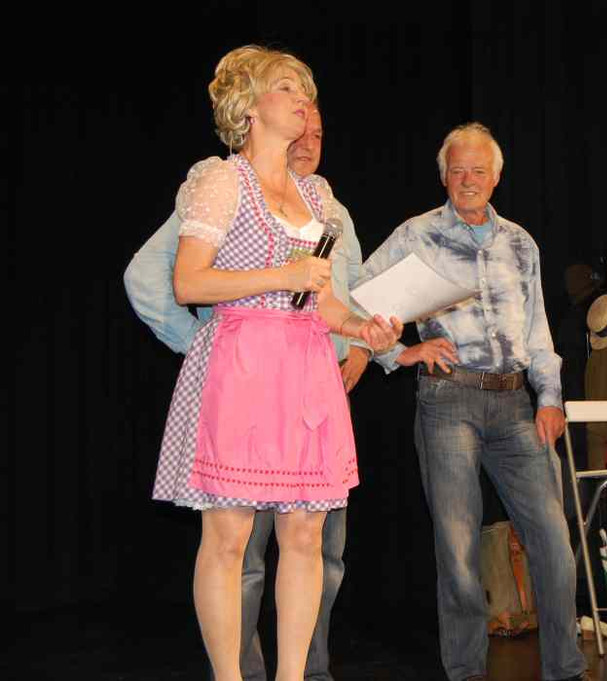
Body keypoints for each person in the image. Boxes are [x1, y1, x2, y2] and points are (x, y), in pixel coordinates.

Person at [147, 45, 400, 681]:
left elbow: (322, 300)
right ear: (249, 105)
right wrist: (281, 275)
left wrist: (362, 327)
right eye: (287, 87)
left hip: (306, 370)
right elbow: (188, 282)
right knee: (229, 537)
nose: (302, 100)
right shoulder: (221, 181)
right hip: (243, 365)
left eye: (306, 91)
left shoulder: (316, 195)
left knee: (306, 535)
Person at [361, 122, 588, 681]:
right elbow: (358, 299)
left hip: (515, 403)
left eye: (478, 171)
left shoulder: (521, 243)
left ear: (496, 177)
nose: (468, 180)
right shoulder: (417, 234)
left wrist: (550, 397)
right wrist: (401, 354)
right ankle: (465, 671)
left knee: (554, 542)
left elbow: (537, 329)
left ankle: (566, 669)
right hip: (449, 399)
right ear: (443, 176)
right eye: (458, 170)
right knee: (458, 549)